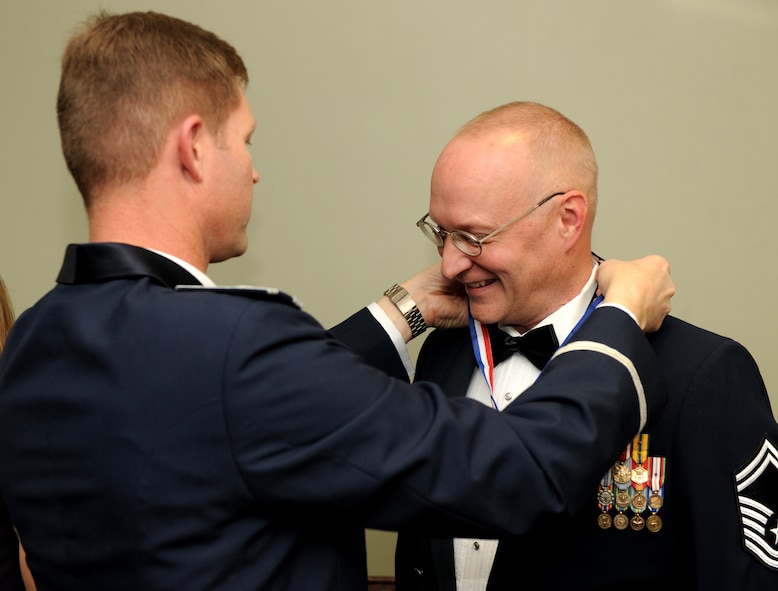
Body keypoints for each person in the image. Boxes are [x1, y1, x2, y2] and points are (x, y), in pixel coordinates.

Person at [0, 12, 674, 591]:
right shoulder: (237, 349)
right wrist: (619, 314)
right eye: (245, 139)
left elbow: (234, 423)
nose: (254, 169)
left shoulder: (32, 342)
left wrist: (402, 310)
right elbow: (526, 470)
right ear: (194, 147)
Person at [394, 101, 778, 590]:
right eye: (443, 234)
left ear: (568, 219)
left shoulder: (701, 374)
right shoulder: (443, 353)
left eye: (474, 237)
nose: (449, 264)